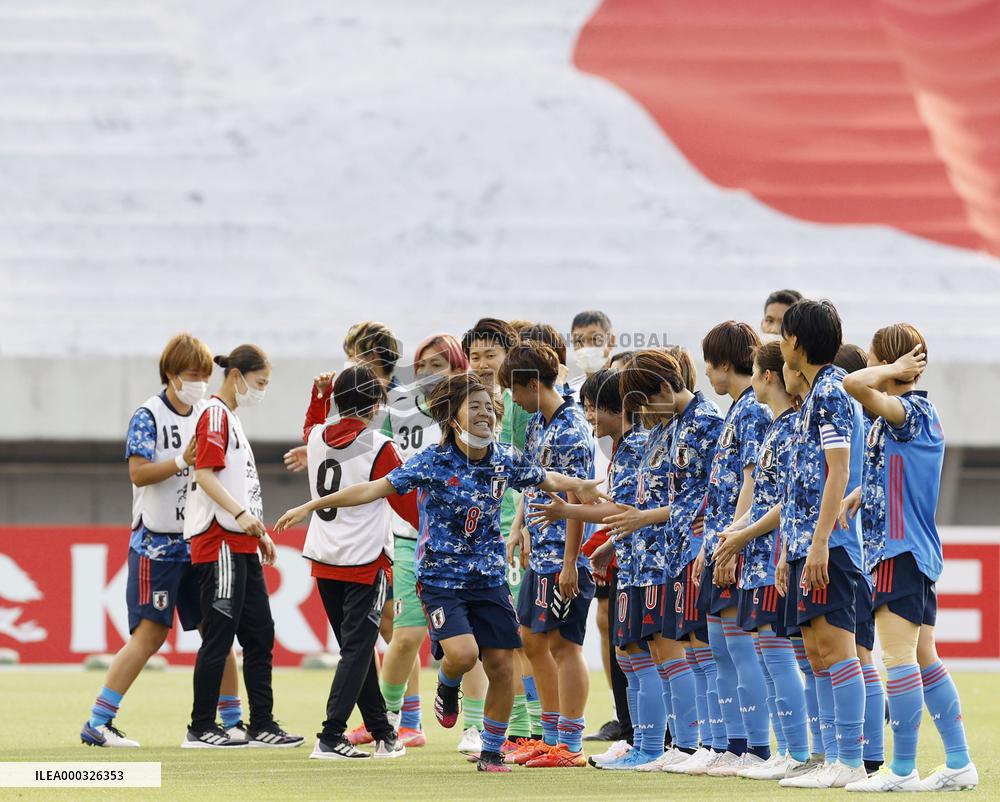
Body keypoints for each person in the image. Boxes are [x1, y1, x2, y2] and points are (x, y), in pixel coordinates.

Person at [276, 373, 603, 772]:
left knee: (502, 665)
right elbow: (373, 488)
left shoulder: (506, 458)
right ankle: (448, 685)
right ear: (452, 417)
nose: (484, 413)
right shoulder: (432, 461)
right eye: (474, 406)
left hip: (490, 580)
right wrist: (311, 506)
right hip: (440, 581)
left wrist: (582, 486)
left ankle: (491, 751)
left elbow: (548, 478)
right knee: (463, 655)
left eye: (489, 407)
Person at [81, 334, 242, 748]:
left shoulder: (208, 413)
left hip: (199, 541)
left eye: (204, 376)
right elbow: (138, 473)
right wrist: (182, 460)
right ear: (170, 374)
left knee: (218, 632)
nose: (199, 383)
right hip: (156, 544)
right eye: (191, 375)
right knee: (150, 635)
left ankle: (232, 721)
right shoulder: (148, 415)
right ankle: (99, 721)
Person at [841, 324, 977, 792]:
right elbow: (903, 471)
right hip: (912, 548)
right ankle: (958, 760)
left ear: (891, 362)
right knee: (923, 656)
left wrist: (890, 370)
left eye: (875, 356)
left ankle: (901, 770)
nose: (868, 364)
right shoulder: (912, 416)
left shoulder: (907, 411)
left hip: (898, 551)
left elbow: (852, 383)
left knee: (897, 657)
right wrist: (864, 491)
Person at [182, 344, 302, 749]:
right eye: (259, 382)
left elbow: (237, 482)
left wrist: (258, 531)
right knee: (219, 636)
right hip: (219, 541)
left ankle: (261, 723)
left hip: (241, 542)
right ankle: (201, 726)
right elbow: (205, 475)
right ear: (236, 376)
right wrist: (240, 516)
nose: (261, 391)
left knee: (260, 634)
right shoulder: (215, 415)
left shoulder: (229, 418)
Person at [526, 368, 645, 767]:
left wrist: (569, 515)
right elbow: (623, 508)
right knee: (627, 653)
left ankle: (584, 743)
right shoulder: (621, 446)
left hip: (641, 564)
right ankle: (631, 739)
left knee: (634, 654)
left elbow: (624, 509)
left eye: (594, 408)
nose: (588, 415)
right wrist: (610, 543)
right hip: (624, 559)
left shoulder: (632, 445)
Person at [300, 365, 417, 760]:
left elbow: (312, 425)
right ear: (377, 404)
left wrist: (318, 398)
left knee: (358, 650)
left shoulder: (316, 438)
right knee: (356, 651)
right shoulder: (380, 446)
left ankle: (383, 733)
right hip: (365, 561)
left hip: (324, 557)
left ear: (337, 400)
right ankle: (330, 736)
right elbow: (407, 504)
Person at [775, 301, 867, 789]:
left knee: (836, 648)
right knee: (814, 651)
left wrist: (819, 542)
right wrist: (792, 549)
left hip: (828, 544)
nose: (780, 344)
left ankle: (849, 760)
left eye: (783, 334)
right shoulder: (812, 395)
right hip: (805, 543)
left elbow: (840, 469)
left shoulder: (831, 391)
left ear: (796, 341)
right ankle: (831, 756)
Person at [712, 341, 810, 780]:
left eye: (754, 371)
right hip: (757, 558)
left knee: (778, 654)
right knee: (768, 656)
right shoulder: (776, 428)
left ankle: (796, 750)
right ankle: (786, 751)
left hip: (774, 556)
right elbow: (764, 498)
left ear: (768, 375)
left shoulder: (790, 430)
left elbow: (784, 503)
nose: (751, 380)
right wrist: (734, 532)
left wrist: (742, 535)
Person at [373, 333, 474, 751]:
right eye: (423, 366)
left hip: (462, 544)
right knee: (405, 636)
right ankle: (388, 721)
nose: (429, 374)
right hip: (408, 538)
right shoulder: (397, 408)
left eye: (439, 365)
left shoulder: (472, 405)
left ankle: (475, 727)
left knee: (473, 643)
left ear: (457, 367)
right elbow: (375, 459)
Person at [501, 341, 596, 768]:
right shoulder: (539, 423)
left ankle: (571, 745)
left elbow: (578, 498)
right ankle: (551, 735)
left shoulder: (571, 429)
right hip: (540, 553)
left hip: (563, 557)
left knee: (564, 645)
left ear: (533, 384)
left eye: (515, 389)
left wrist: (572, 561)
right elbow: (534, 481)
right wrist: (520, 527)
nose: (514, 399)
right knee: (531, 640)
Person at [695, 322, 773, 775]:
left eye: (710, 363)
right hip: (722, 543)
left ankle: (755, 747)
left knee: (740, 652)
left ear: (725, 363)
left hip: (739, 545)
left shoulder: (752, 412)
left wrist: (730, 545)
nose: (706, 373)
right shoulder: (737, 411)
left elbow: (752, 482)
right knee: (721, 650)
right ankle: (731, 743)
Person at [463, 318, 538, 747]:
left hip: (513, 534)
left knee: (519, 635)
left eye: (490, 354)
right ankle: (488, 727)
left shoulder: (520, 406)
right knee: (485, 637)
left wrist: (523, 523)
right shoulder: (465, 403)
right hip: (476, 540)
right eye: (474, 356)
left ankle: (530, 730)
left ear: (509, 356)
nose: (482, 363)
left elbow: (534, 472)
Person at [835, 343, 886, 776]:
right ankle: (864, 751)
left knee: (859, 653)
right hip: (857, 556)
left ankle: (871, 756)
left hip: (857, 557)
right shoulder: (863, 427)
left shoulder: (864, 430)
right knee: (856, 652)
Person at [568, 311, 618, 741]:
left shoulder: (620, 388)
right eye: (579, 340)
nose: (586, 347)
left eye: (594, 339)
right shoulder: (568, 396)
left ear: (610, 341)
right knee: (599, 619)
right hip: (584, 516)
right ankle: (619, 711)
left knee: (615, 617)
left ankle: (631, 715)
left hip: (613, 512)